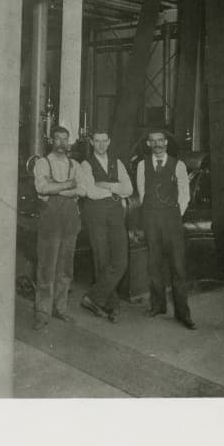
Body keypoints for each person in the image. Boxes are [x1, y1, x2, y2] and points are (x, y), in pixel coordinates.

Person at [137, 129, 196, 329]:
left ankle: (182, 313)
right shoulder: (141, 165)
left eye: (160, 140)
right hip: (151, 220)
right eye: (153, 141)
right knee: (154, 264)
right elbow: (142, 191)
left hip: (172, 220)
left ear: (166, 143)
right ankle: (158, 306)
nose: (157, 144)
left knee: (178, 267)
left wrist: (173, 215)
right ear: (148, 144)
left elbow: (185, 195)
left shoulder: (178, 165)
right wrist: (151, 215)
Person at [77, 129, 133, 323]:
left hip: (116, 215)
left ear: (109, 142)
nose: (101, 144)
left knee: (121, 260)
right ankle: (111, 304)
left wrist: (108, 186)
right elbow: (90, 192)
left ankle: (92, 298)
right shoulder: (85, 164)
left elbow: (129, 189)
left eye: (104, 141)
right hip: (96, 214)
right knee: (102, 258)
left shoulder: (117, 163)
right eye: (97, 141)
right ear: (91, 142)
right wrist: (115, 190)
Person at [32, 125, 85, 330]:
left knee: (65, 269)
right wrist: (68, 186)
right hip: (50, 222)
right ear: (51, 140)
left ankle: (60, 309)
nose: (62, 143)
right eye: (58, 138)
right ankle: (42, 313)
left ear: (69, 141)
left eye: (65, 139)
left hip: (70, 222)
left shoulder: (75, 164)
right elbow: (42, 188)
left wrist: (57, 187)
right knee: (46, 268)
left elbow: (83, 189)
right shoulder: (42, 163)